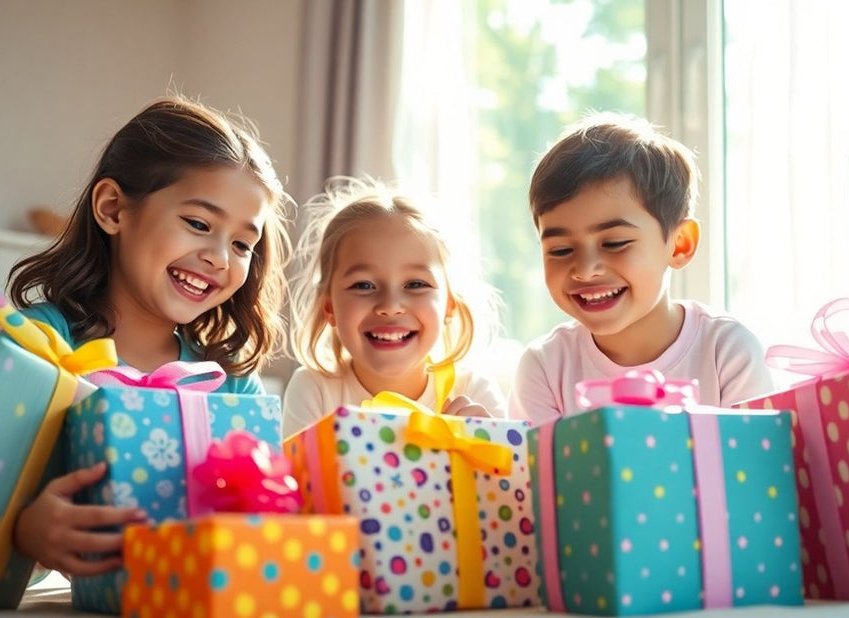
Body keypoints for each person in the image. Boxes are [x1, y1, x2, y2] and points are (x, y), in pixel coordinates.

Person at [6, 96, 291, 577]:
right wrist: (22, 532)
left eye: (243, 243)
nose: (221, 257)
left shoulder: (228, 383)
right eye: (199, 224)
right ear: (113, 208)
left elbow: (263, 521)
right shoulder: (38, 346)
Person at [509, 113, 773, 425]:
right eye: (561, 250)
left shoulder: (727, 351)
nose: (585, 269)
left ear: (679, 245)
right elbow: (534, 472)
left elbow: (753, 466)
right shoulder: (544, 366)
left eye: (615, 243)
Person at [282, 176, 504, 436]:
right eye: (363, 285)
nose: (390, 306)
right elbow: (295, 476)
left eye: (415, 284)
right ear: (329, 308)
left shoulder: (474, 391)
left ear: (449, 306)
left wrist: (486, 442)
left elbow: (514, 474)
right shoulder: (314, 389)